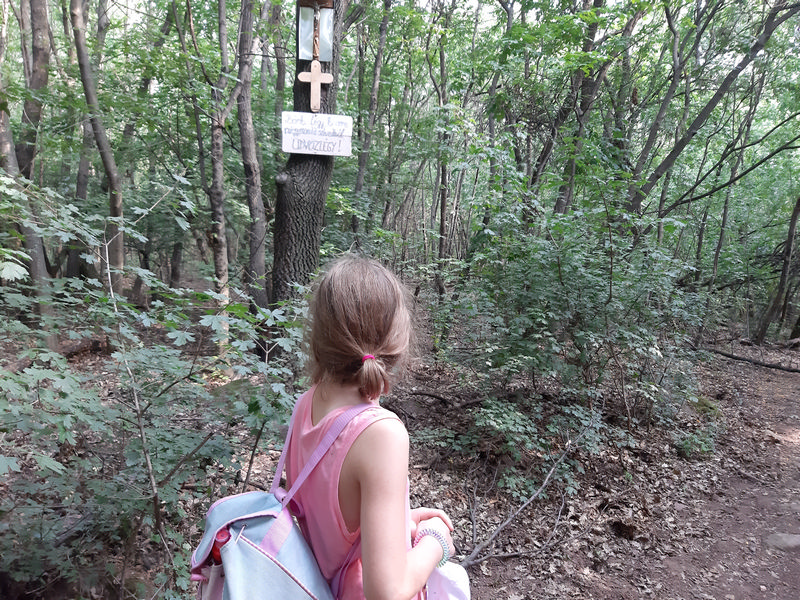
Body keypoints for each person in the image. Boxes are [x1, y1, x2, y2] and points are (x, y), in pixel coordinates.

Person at [284, 255, 457, 600]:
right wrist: (436, 541)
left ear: (320, 336)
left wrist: (397, 522)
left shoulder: (306, 404)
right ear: (396, 337)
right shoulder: (380, 435)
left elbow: (326, 519)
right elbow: (387, 591)